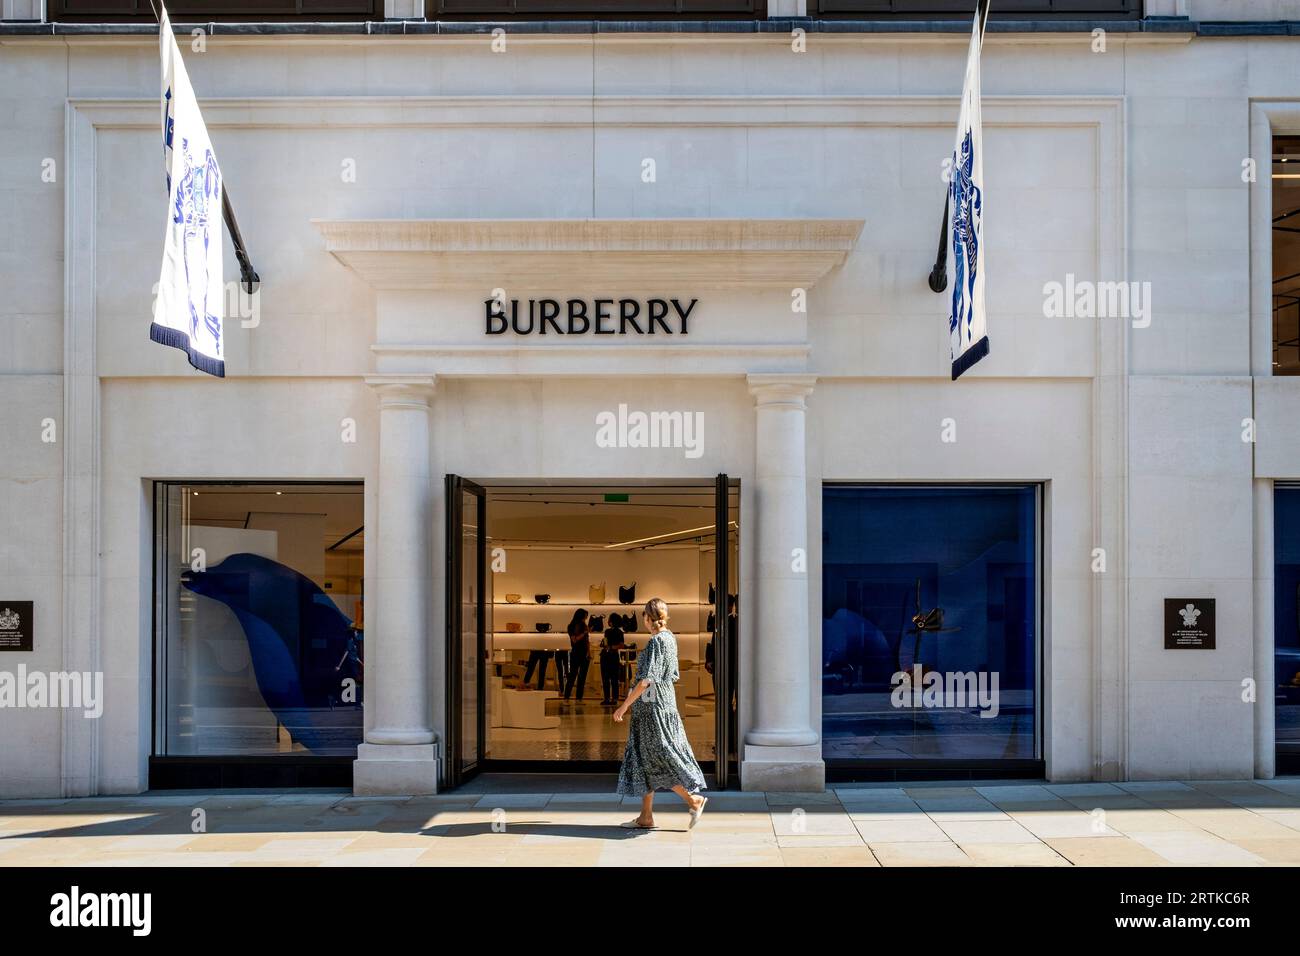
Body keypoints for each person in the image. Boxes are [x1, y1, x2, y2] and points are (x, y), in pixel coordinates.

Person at [614, 598, 707, 830]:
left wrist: (624, 706)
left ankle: (693, 800)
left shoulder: (656, 641)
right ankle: (646, 816)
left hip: (652, 710)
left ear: (647, 618)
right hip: (661, 706)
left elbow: (646, 680)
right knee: (646, 760)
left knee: (660, 757)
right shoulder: (670, 638)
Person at [563, 608, 592, 701]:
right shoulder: (571, 626)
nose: (585, 619)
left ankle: (579, 698)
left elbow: (587, 641)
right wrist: (584, 633)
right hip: (575, 653)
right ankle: (566, 696)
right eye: (585, 617)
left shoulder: (584, 626)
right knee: (573, 675)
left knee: (582, 677)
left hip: (584, 654)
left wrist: (589, 652)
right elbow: (574, 640)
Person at [599, 615, 626, 706]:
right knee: (614, 678)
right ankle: (615, 698)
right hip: (614, 656)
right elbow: (621, 645)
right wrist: (613, 647)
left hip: (605, 656)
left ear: (611, 622)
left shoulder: (607, 631)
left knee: (605, 678)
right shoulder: (620, 632)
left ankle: (606, 698)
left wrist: (608, 647)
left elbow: (605, 643)